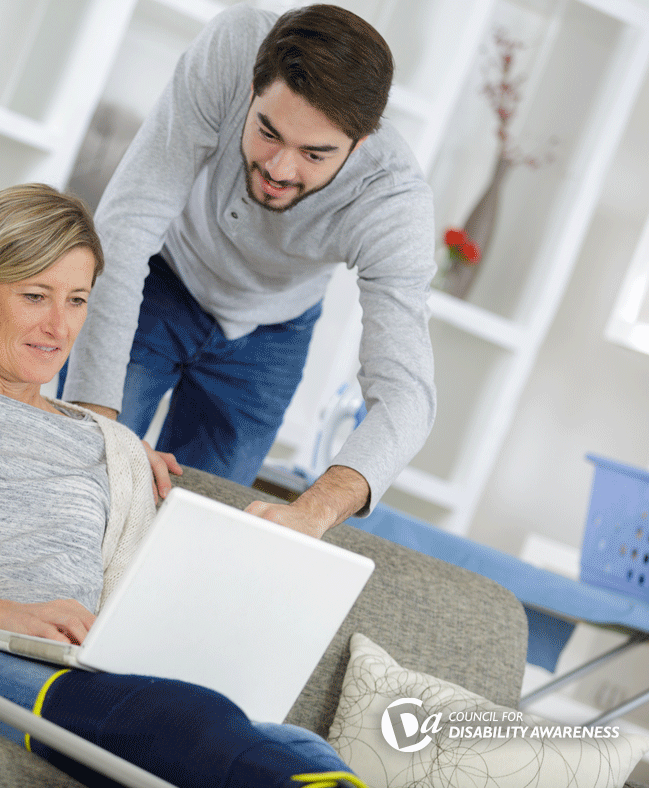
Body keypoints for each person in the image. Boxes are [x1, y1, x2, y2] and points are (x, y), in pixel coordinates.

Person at [0, 184, 366, 788]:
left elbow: (131, 611)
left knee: (299, 744)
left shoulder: (119, 450)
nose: (58, 326)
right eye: (35, 296)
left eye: (76, 300)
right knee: (187, 726)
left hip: (86, 671)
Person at [60, 4, 437, 539]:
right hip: (160, 280)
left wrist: (316, 510)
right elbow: (126, 227)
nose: (280, 169)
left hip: (270, 337)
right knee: (77, 472)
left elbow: (407, 392)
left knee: (193, 535)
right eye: (268, 132)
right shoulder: (232, 47)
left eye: (313, 154)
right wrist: (98, 425)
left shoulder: (393, 201)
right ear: (253, 86)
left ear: (361, 143)